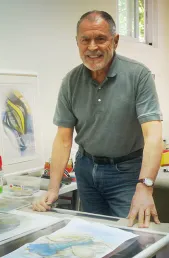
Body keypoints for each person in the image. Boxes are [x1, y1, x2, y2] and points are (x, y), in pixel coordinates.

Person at [32, 10, 163, 229]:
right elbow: (63, 139)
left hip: (127, 171)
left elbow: (153, 136)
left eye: (100, 39)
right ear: (77, 43)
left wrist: (144, 186)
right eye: (85, 40)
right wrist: (53, 189)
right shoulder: (71, 81)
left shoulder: (138, 75)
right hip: (86, 169)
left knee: (133, 239)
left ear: (116, 40)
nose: (92, 47)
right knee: (93, 236)